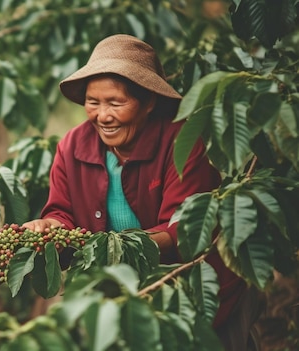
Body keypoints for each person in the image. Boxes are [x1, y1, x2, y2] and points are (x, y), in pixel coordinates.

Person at [22, 34, 262, 350]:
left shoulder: (180, 142)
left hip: (196, 289)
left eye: (115, 103)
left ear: (149, 102)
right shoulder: (72, 146)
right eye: (93, 103)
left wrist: (119, 247)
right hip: (123, 297)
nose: (102, 115)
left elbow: (184, 232)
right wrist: (48, 228)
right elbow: (61, 213)